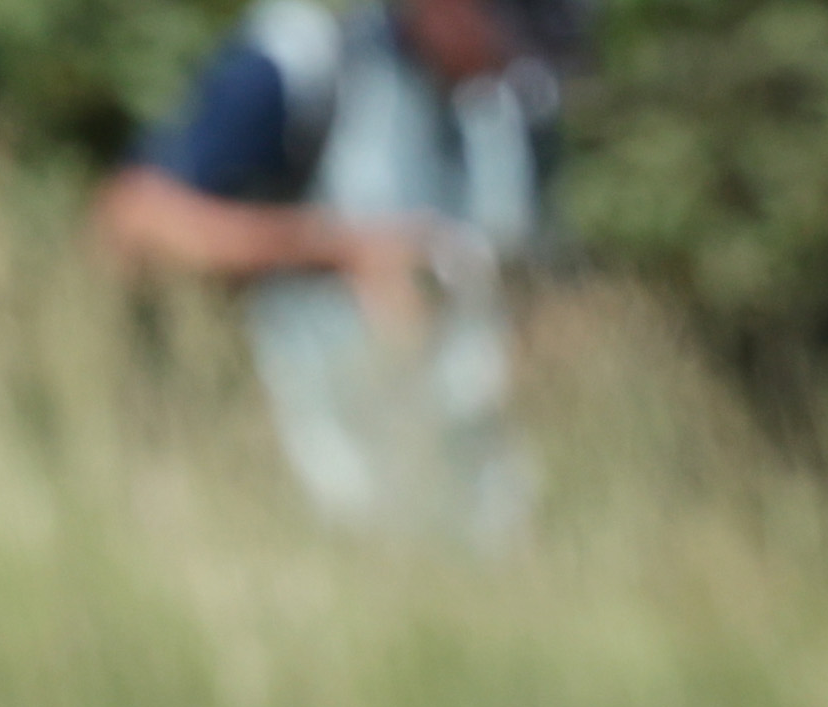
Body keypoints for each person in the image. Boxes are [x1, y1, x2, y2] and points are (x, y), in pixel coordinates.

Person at [89, 0, 581, 543]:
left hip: (467, 516)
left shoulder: (518, 110)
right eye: (508, 34)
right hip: (303, 501)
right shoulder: (306, 64)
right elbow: (134, 220)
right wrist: (340, 255)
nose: (514, 63)